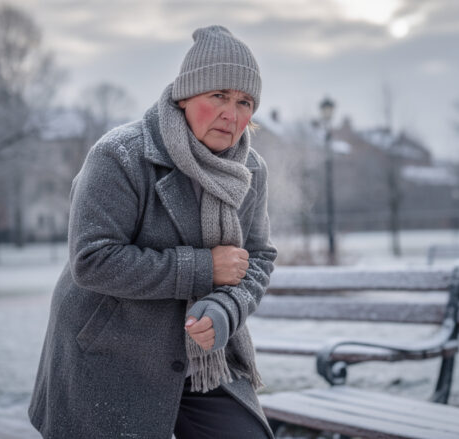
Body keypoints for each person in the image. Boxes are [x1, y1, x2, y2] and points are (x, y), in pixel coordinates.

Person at [28, 25, 277, 439]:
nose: (231, 114)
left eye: (244, 101)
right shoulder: (120, 154)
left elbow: (257, 258)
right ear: (185, 96)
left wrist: (226, 310)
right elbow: (92, 260)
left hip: (202, 360)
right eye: (218, 95)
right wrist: (203, 268)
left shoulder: (250, 170)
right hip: (112, 353)